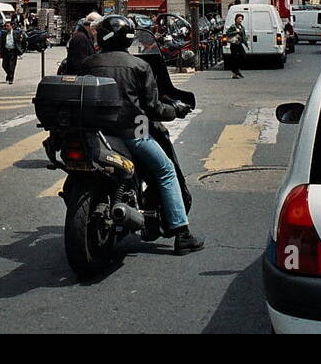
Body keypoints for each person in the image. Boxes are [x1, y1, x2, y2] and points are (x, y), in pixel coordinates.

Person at [81, 15, 203, 254]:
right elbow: (153, 108)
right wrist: (175, 111)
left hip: (96, 132)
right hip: (133, 131)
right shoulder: (139, 66)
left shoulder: (88, 63)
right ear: (128, 39)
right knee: (166, 171)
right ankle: (182, 233)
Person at [0, 17, 24, 85]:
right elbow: (1, 43)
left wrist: (21, 49)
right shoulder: (4, 33)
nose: (6, 27)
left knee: (11, 66)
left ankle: (11, 78)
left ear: (11, 26)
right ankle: (9, 74)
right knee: (4, 65)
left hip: (13, 51)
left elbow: (22, 41)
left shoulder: (16, 33)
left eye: (8, 26)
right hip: (6, 51)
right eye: (6, 26)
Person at [225, 13, 247, 79]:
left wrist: (246, 43)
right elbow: (228, 33)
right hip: (234, 44)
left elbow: (243, 36)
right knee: (234, 58)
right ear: (236, 19)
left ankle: (237, 70)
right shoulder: (233, 26)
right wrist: (235, 32)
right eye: (239, 19)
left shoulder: (242, 27)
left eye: (241, 19)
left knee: (243, 55)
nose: (240, 20)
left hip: (239, 43)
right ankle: (235, 73)